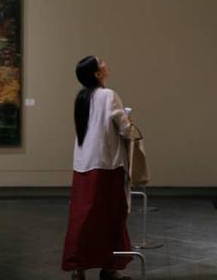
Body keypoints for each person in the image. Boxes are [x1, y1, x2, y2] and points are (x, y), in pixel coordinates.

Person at [62, 56, 134, 280]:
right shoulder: (108, 95)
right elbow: (125, 128)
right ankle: (110, 268)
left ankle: (78, 268)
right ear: (97, 73)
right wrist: (129, 121)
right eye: (100, 62)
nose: (105, 63)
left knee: (83, 217)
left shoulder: (82, 98)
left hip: (83, 164)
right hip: (107, 164)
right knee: (111, 216)